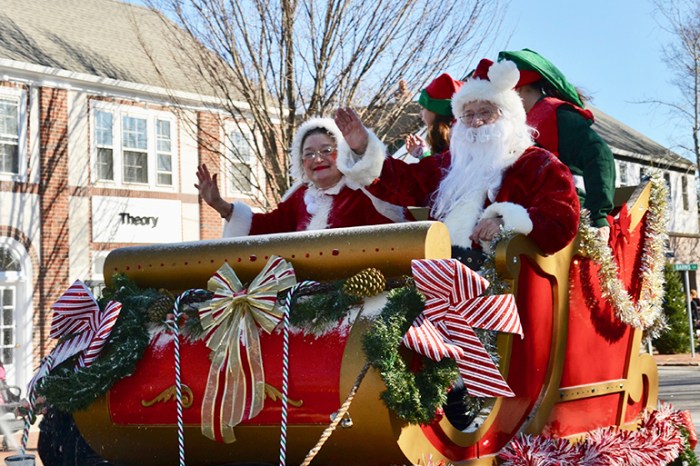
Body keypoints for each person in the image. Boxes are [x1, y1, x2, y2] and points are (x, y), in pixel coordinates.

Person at [337, 59, 580, 263]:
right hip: (442, 274)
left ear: (509, 116)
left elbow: (561, 218)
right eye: (468, 114)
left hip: (508, 285)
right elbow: (403, 181)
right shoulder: (448, 164)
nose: (476, 122)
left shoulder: (538, 164)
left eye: (486, 112)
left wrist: (506, 222)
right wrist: (362, 147)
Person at [196, 117, 412, 237]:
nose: (317, 159)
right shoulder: (299, 199)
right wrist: (221, 206)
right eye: (309, 153)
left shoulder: (363, 194)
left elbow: (392, 232)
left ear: (342, 153)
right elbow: (266, 228)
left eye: (326, 150)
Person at [497, 49, 616, 239]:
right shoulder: (519, 123)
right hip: (530, 214)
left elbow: (600, 155)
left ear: (517, 90)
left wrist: (597, 214)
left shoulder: (557, 115)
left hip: (562, 215)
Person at [405, 73, 463, 159]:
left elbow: (440, 170)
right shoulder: (454, 138)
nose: (421, 113)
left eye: (423, 108)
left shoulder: (455, 143)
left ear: (436, 111)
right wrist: (423, 155)